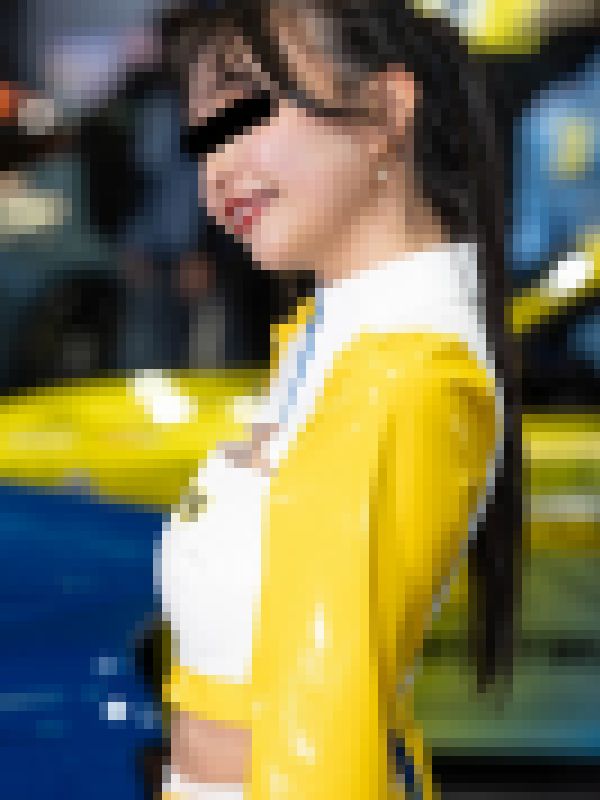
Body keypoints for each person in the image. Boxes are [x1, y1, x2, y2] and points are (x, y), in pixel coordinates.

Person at [161, 2, 502, 798]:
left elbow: (322, 744)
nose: (215, 171)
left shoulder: (400, 373)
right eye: (204, 137)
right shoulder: (339, 338)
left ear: (384, 110)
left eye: (244, 113)